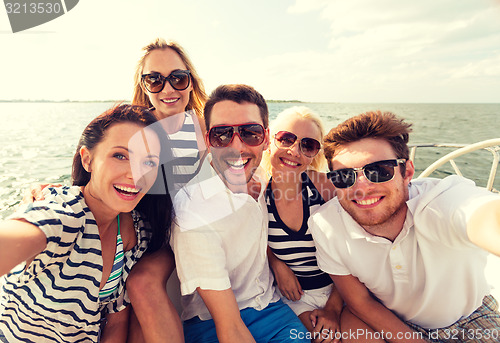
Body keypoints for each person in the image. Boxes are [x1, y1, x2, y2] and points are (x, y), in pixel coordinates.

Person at [309, 110, 500, 342]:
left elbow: (484, 216)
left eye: (379, 171)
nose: (361, 188)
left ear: (407, 171)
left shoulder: (441, 203)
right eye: (344, 176)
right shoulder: (326, 224)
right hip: (390, 318)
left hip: (469, 318)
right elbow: (360, 302)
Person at [0, 105, 173, 343]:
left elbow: (117, 320)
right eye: (120, 156)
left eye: (149, 163)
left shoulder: (138, 233)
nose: (136, 174)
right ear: (87, 159)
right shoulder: (64, 212)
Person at [170, 84, 310, 343]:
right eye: (222, 135)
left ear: (266, 137)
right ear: (207, 139)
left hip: (271, 306)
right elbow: (230, 327)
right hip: (212, 321)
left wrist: (276, 262)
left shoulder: (268, 177)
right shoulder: (193, 213)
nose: (237, 146)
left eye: (250, 133)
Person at [262, 106, 384, 343]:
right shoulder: (257, 194)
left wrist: (334, 308)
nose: (294, 151)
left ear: (315, 154)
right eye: (286, 139)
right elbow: (254, 235)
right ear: (270, 141)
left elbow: (352, 251)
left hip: (343, 291)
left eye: (307, 145)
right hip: (298, 299)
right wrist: (276, 263)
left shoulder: (325, 188)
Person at [126, 38, 208, 343]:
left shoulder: (201, 125)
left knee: (143, 284)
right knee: (135, 324)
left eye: (177, 78)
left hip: (180, 232)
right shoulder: (133, 127)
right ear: (144, 86)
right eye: (155, 80)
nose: (168, 89)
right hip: (143, 233)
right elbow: (99, 169)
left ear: (190, 81)